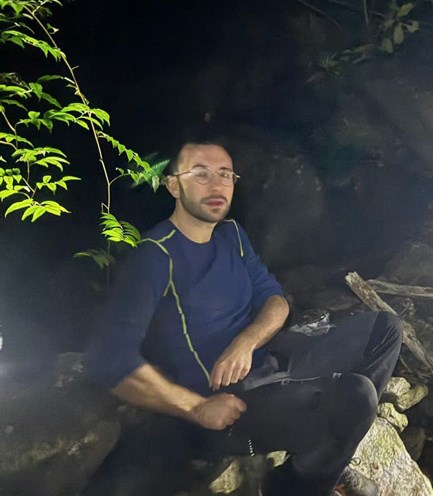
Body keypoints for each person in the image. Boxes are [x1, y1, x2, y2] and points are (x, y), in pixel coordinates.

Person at [85, 142, 403, 496]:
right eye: (201, 174)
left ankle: (323, 461)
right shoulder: (155, 258)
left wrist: (245, 341)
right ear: (174, 186)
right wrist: (198, 408)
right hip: (228, 404)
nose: (217, 185)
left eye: (225, 175)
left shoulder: (231, 236)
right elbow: (108, 361)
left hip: (267, 362)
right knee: (357, 394)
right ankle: (298, 486)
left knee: (385, 329)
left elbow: (276, 300)